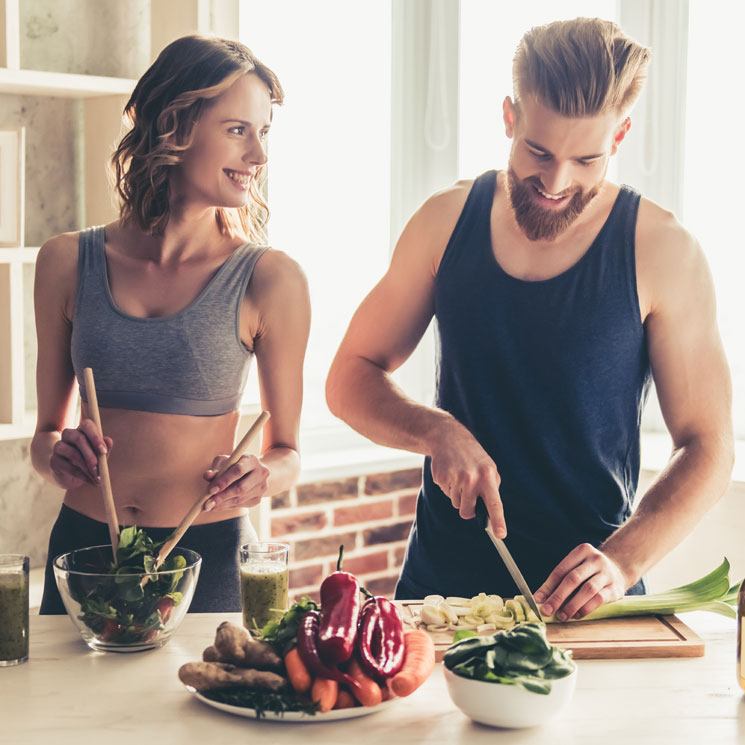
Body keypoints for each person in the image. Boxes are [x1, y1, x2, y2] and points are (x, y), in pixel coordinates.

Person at [326, 18, 733, 621]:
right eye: (538, 152)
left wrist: (623, 561)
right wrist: (435, 430)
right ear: (509, 117)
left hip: (585, 607)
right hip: (439, 598)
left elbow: (709, 447)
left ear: (618, 137)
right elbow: (348, 378)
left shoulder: (663, 250)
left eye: (585, 159)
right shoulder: (444, 222)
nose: (555, 182)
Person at [32, 35, 310, 614]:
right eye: (238, 130)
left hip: (206, 556)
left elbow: (286, 451)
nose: (259, 156)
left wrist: (262, 475)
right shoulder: (65, 262)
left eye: (264, 133)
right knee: (70, 709)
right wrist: (57, 455)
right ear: (173, 126)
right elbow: (45, 440)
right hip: (84, 552)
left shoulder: (270, 279)